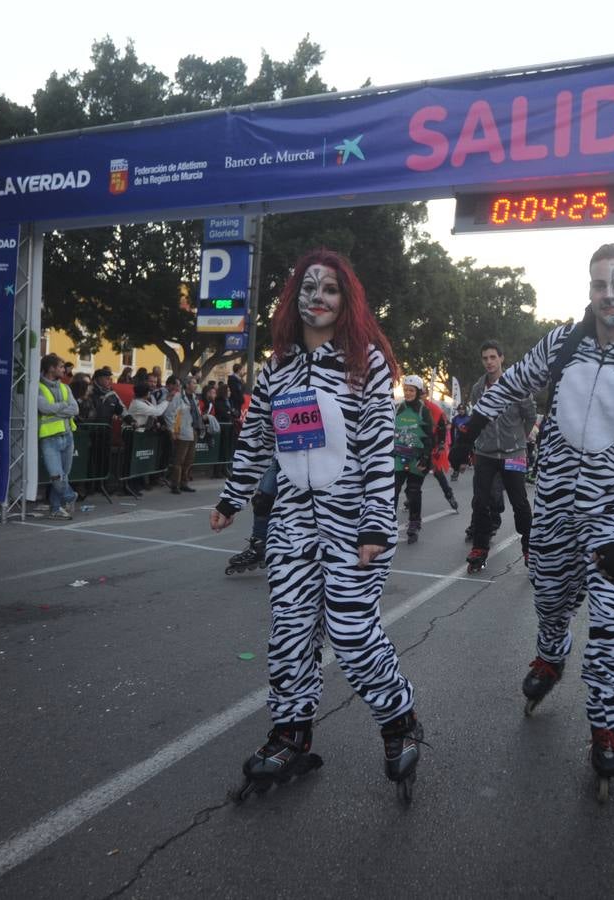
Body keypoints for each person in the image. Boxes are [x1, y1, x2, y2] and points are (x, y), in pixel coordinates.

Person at [450, 242, 614, 795]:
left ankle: (608, 726)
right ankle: (552, 654)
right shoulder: (564, 344)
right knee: (551, 598)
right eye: (599, 285)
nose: (609, 295)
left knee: (607, 625)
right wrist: (469, 428)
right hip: (555, 504)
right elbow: (512, 382)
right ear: (590, 290)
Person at [211, 248, 424, 802]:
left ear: (345, 298)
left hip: (355, 522)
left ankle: (399, 720)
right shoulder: (277, 365)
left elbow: (380, 448)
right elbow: (257, 436)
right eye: (308, 289)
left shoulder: (367, 361)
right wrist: (232, 499)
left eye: (328, 289)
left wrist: (377, 523)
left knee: (353, 635)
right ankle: (291, 734)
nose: (317, 299)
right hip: (292, 524)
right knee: (289, 634)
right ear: (295, 298)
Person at [462, 340, 536, 572]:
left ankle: (529, 548)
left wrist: (517, 440)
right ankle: (480, 548)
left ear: (501, 358)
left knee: (520, 503)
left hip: (513, 454)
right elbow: (479, 417)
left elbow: (530, 416)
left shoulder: (517, 386)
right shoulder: (477, 388)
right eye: (485, 358)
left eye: (493, 357)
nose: (489, 362)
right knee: (481, 501)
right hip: (485, 453)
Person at [392, 375, 436, 544]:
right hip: (398, 456)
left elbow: (429, 436)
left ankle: (414, 524)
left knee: (413, 491)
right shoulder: (398, 408)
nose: (408, 393)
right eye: (406, 390)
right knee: (393, 491)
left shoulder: (422, 410)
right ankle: (388, 523)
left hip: (417, 458)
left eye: (411, 390)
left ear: (418, 392)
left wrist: (425, 457)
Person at [37, 353, 80, 519]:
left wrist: (57, 408)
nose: (64, 370)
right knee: (56, 475)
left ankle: (55, 509)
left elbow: (75, 409)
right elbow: (44, 408)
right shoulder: (38, 387)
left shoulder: (65, 387)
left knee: (64, 475)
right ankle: (70, 496)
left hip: (68, 436)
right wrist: (64, 407)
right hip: (49, 438)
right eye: (61, 367)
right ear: (50, 369)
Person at [164, 373, 202, 494]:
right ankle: (175, 484)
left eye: (196, 383)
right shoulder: (178, 397)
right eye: (194, 383)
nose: (196, 385)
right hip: (182, 431)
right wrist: (172, 429)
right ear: (187, 385)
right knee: (179, 459)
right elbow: (169, 413)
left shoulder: (195, 398)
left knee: (189, 460)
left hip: (193, 430)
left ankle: (184, 482)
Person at [420, 392, 458, 511]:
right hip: (417, 446)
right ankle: (411, 498)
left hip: (432, 446)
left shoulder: (434, 409)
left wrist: (441, 443)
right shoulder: (410, 407)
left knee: (437, 473)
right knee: (414, 475)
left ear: (425, 394)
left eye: (421, 394)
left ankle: (449, 495)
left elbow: (442, 427)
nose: (419, 396)